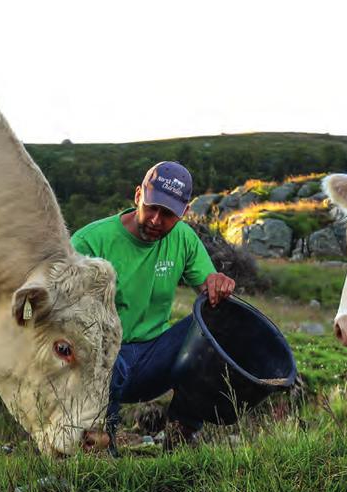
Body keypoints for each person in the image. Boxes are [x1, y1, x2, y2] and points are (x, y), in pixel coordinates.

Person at [71, 161, 236, 453]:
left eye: (169, 214)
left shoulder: (183, 238)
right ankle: (98, 446)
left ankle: (179, 437)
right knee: (99, 352)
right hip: (102, 359)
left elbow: (208, 289)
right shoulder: (89, 241)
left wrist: (218, 284)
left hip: (154, 356)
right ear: (138, 196)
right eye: (151, 208)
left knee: (214, 323)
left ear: (183, 213)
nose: (157, 221)